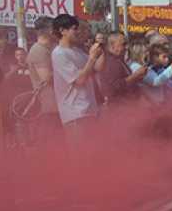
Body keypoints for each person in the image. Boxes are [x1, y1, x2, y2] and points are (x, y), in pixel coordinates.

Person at [50, 14, 102, 147]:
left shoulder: (78, 51)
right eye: (74, 28)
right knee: (80, 159)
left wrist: (100, 49)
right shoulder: (59, 54)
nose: (78, 32)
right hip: (75, 114)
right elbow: (79, 80)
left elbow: (96, 68)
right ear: (62, 31)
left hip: (90, 111)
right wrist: (91, 58)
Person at [96, 32, 147, 105]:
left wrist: (138, 77)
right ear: (112, 46)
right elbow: (114, 87)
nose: (126, 47)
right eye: (123, 44)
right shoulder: (111, 62)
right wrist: (135, 75)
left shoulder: (118, 60)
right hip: (119, 107)